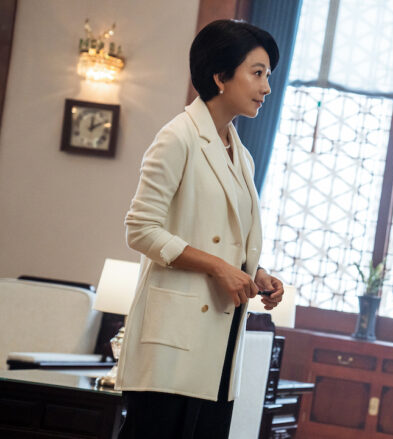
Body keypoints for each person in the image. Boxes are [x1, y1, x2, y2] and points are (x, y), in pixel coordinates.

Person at [116, 19, 285, 438]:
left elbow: (229, 238)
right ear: (220, 76)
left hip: (219, 339)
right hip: (172, 342)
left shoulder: (241, 154)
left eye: (268, 75)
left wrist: (255, 273)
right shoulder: (177, 138)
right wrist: (217, 267)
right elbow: (140, 229)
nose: (267, 88)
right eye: (257, 73)